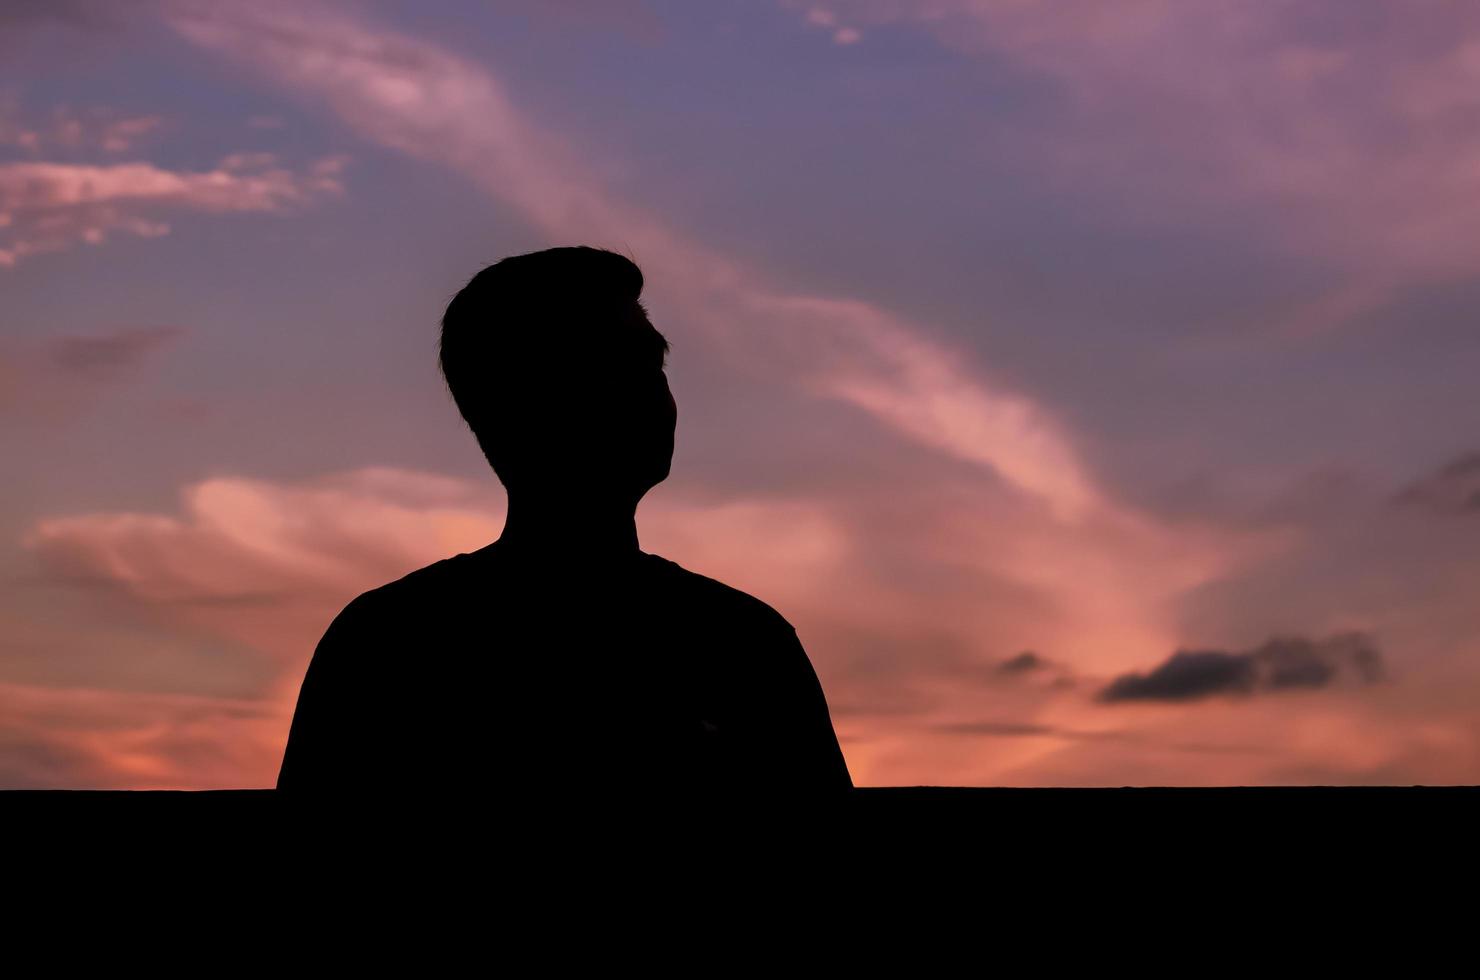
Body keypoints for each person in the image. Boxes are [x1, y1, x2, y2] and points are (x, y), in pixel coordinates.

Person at [276, 245, 853, 800]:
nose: (649, 390)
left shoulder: (744, 639)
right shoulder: (388, 646)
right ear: (513, 402)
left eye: (650, 362)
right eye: (606, 366)